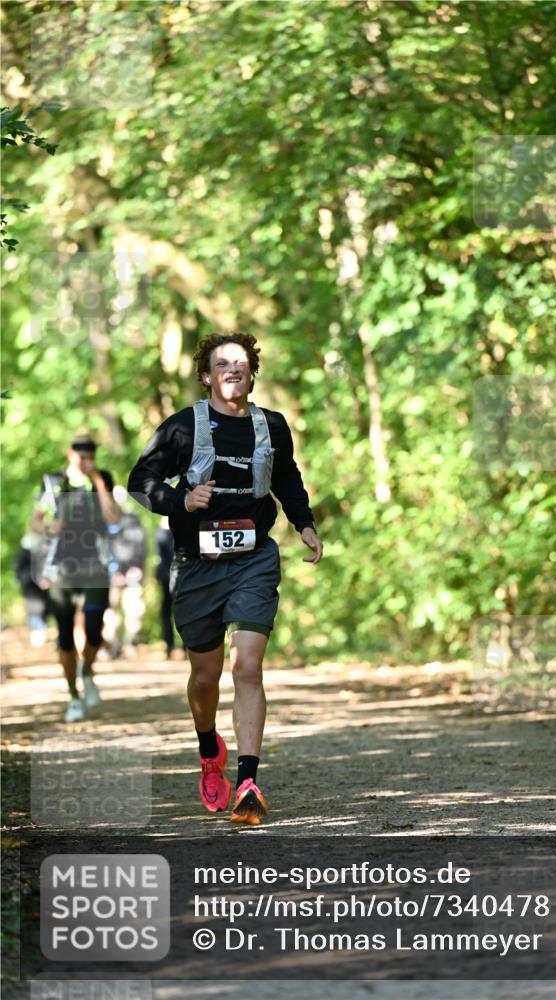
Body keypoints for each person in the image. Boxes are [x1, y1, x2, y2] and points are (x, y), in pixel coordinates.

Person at [128, 333, 323, 825]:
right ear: (207, 375)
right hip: (196, 564)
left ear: (252, 372)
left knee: (248, 667)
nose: (232, 369)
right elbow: (141, 481)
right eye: (222, 363)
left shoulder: (271, 426)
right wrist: (181, 501)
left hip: (254, 556)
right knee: (205, 676)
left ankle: (249, 780)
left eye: (241, 362)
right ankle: (207, 745)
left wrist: (305, 524)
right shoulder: (181, 428)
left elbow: (287, 478)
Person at [31, 433, 121, 722]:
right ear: (71, 454)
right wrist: (48, 528)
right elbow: (35, 520)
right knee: (66, 636)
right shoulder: (53, 482)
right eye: (83, 457)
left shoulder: (103, 478)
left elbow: (114, 518)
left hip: (96, 565)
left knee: (94, 630)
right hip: (61, 568)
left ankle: (88, 671)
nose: (87, 462)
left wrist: (98, 482)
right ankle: (73, 696)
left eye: (92, 457)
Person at [104, 486, 147, 658]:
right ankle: (112, 647)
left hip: (132, 574)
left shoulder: (133, 521)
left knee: (134, 611)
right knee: (109, 613)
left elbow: (140, 546)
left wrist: (136, 568)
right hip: (110, 574)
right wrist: (112, 569)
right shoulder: (103, 522)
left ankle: (130, 644)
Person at [13, 533, 53, 647]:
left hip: (41, 588)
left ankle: (41, 630)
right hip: (30, 586)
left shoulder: (45, 547)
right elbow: (20, 569)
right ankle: (38, 631)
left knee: (43, 608)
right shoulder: (26, 550)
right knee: (35, 609)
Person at [155, 516, 176, 658]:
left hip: (173, 575)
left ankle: (171, 646)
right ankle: (170, 645)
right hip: (170, 576)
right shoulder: (162, 532)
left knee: (168, 612)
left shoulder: (162, 532)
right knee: (168, 612)